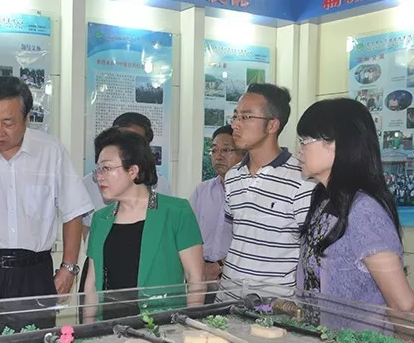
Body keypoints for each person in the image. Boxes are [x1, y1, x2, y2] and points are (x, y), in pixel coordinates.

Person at [0, 76, 93, 336]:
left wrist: (68, 268)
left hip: (35, 273)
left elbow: (73, 212)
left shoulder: (51, 151)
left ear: (27, 118)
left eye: (8, 122)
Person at [296, 97, 414, 339]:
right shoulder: (323, 199)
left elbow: (403, 305)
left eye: (305, 141)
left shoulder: (364, 210)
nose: (299, 150)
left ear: (338, 145)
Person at [82, 128, 205, 322]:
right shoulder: (101, 219)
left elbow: (195, 278)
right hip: (110, 326)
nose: (99, 177)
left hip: (163, 326)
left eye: (106, 168)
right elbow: (92, 284)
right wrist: (89, 329)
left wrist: (190, 326)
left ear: (133, 170)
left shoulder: (176, 212)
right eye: (98, 169)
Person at [218, 83, 317, 299]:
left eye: (246, 117)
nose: (235, 124)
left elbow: (311, 253)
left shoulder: (302, 180)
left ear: (272, 125)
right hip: (227, 299)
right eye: (235, 116)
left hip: (274, 306)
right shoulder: (233, 176)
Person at [79, 113, 171, 293]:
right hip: (100, 264)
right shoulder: (90, 183)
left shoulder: (160, 186)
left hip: (146, 267)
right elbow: (84, 227)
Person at [190, 125, 244, 291]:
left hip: (236, 278)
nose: (218, 156)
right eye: (214, 150)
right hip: (202, 275)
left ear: (244, 153)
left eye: (226, 150)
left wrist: (218, 266)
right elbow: (189, 235)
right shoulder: (202, 191)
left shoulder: (250, 193)